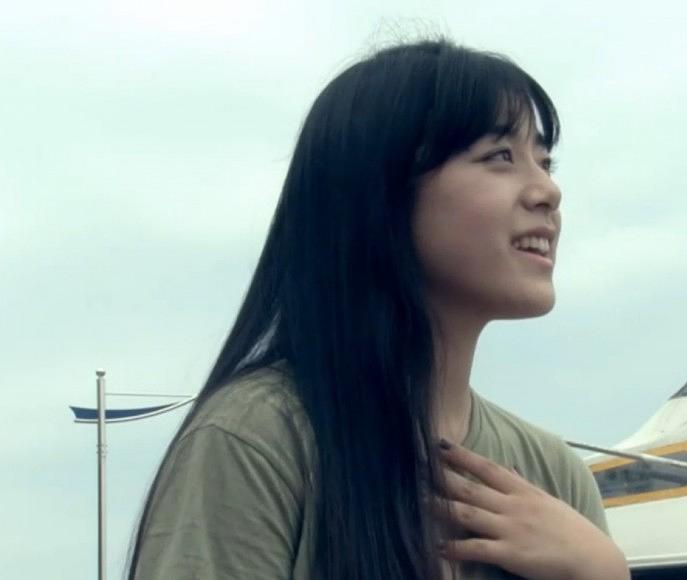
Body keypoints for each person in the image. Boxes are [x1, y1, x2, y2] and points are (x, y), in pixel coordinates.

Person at [128, 38, 629, 580]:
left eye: (546, 162)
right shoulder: (258, 438)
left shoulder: (554, 475)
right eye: (499, 157)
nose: (547, 191)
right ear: (382, 193)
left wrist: (603, 572)